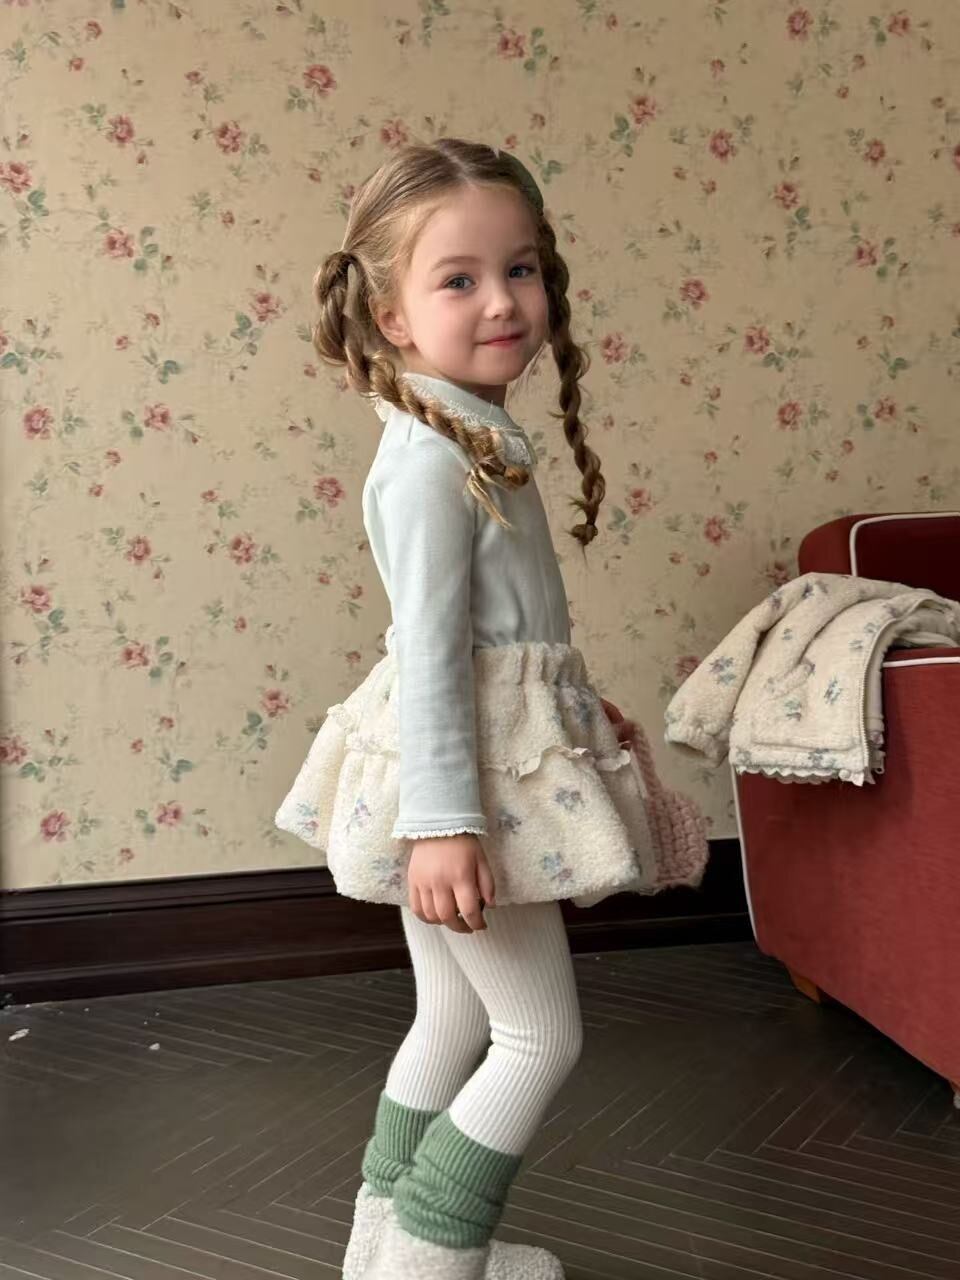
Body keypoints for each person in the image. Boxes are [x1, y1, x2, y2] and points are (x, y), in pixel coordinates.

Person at [275, 138, 656, 1280]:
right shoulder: (431, 461)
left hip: (479, 759)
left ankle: (381, 1250)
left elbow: (498, 635)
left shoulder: (467, 434)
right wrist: (445, 824)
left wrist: (578, 700)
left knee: (450, 1020)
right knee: (540, 1036)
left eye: (520, 268)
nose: (502, 300)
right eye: (459, 278)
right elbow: (435, 654)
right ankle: (435, 1263)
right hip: (459, 792)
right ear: (390, 314)